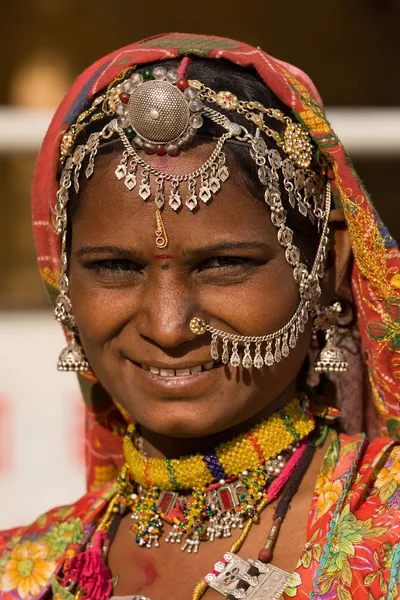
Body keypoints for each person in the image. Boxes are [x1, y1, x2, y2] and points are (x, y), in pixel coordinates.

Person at [1, 32, 400, 600]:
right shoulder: (25, 569)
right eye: (115, 268)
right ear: (63, 279)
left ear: (326, 267)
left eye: (223, 264)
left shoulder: (386, 535)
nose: (167, 328)